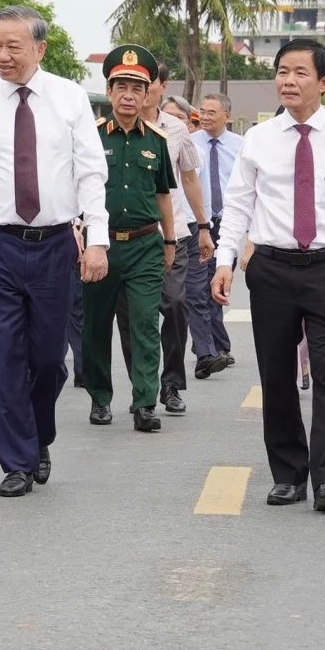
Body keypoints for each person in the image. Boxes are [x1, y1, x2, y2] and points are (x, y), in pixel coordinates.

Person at [0, 7, 108, 498]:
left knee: (49, 358)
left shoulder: (70, 98)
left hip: (54, 242)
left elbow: (90, 173)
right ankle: (17, 460)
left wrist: (96, 240)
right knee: (0, 356)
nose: (1, 55)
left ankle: (39, 435)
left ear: (40, 49)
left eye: (13, 46)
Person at [211, 38, 325, 514]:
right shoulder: (259, 139)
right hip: (271, 268)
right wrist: (225, 262)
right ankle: (287, 475)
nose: (288, 80)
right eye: (282, 71)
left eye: (300, 73)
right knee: (277, 374)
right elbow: (238, 207)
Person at [80, 46, 178, 433]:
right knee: (96, 324)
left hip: (144, 246)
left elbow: (163, 195)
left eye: (137, 88)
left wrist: (170, 242)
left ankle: (144, 403)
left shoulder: (157, 140)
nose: (128, 95)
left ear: (147, 94)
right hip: (100, 246)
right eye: (121, 86)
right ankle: (100, 398)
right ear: (109, 90)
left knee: (144, 324)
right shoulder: (90, 139)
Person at [115, 57, 207, 416]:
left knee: (173, 304)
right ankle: (143, 385)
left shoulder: (177, 129)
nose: (140, 91)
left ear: (159, 87)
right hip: (128, 237)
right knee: (132, 316)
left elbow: (189, 179)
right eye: (130, 85)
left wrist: (203, 227)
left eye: (147, 84)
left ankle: (170, 382)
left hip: (173, 233)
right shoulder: (111, 129)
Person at [190, 93, 242, 378]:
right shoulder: (191, 144)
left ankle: (216, 345)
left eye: (212, 112)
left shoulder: (241, 146)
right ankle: (210, 348)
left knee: (217, 283)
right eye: (202, 112)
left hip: (229, 225)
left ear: (227, 116)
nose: (206, 117)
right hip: (200, 225)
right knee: (199, 287)